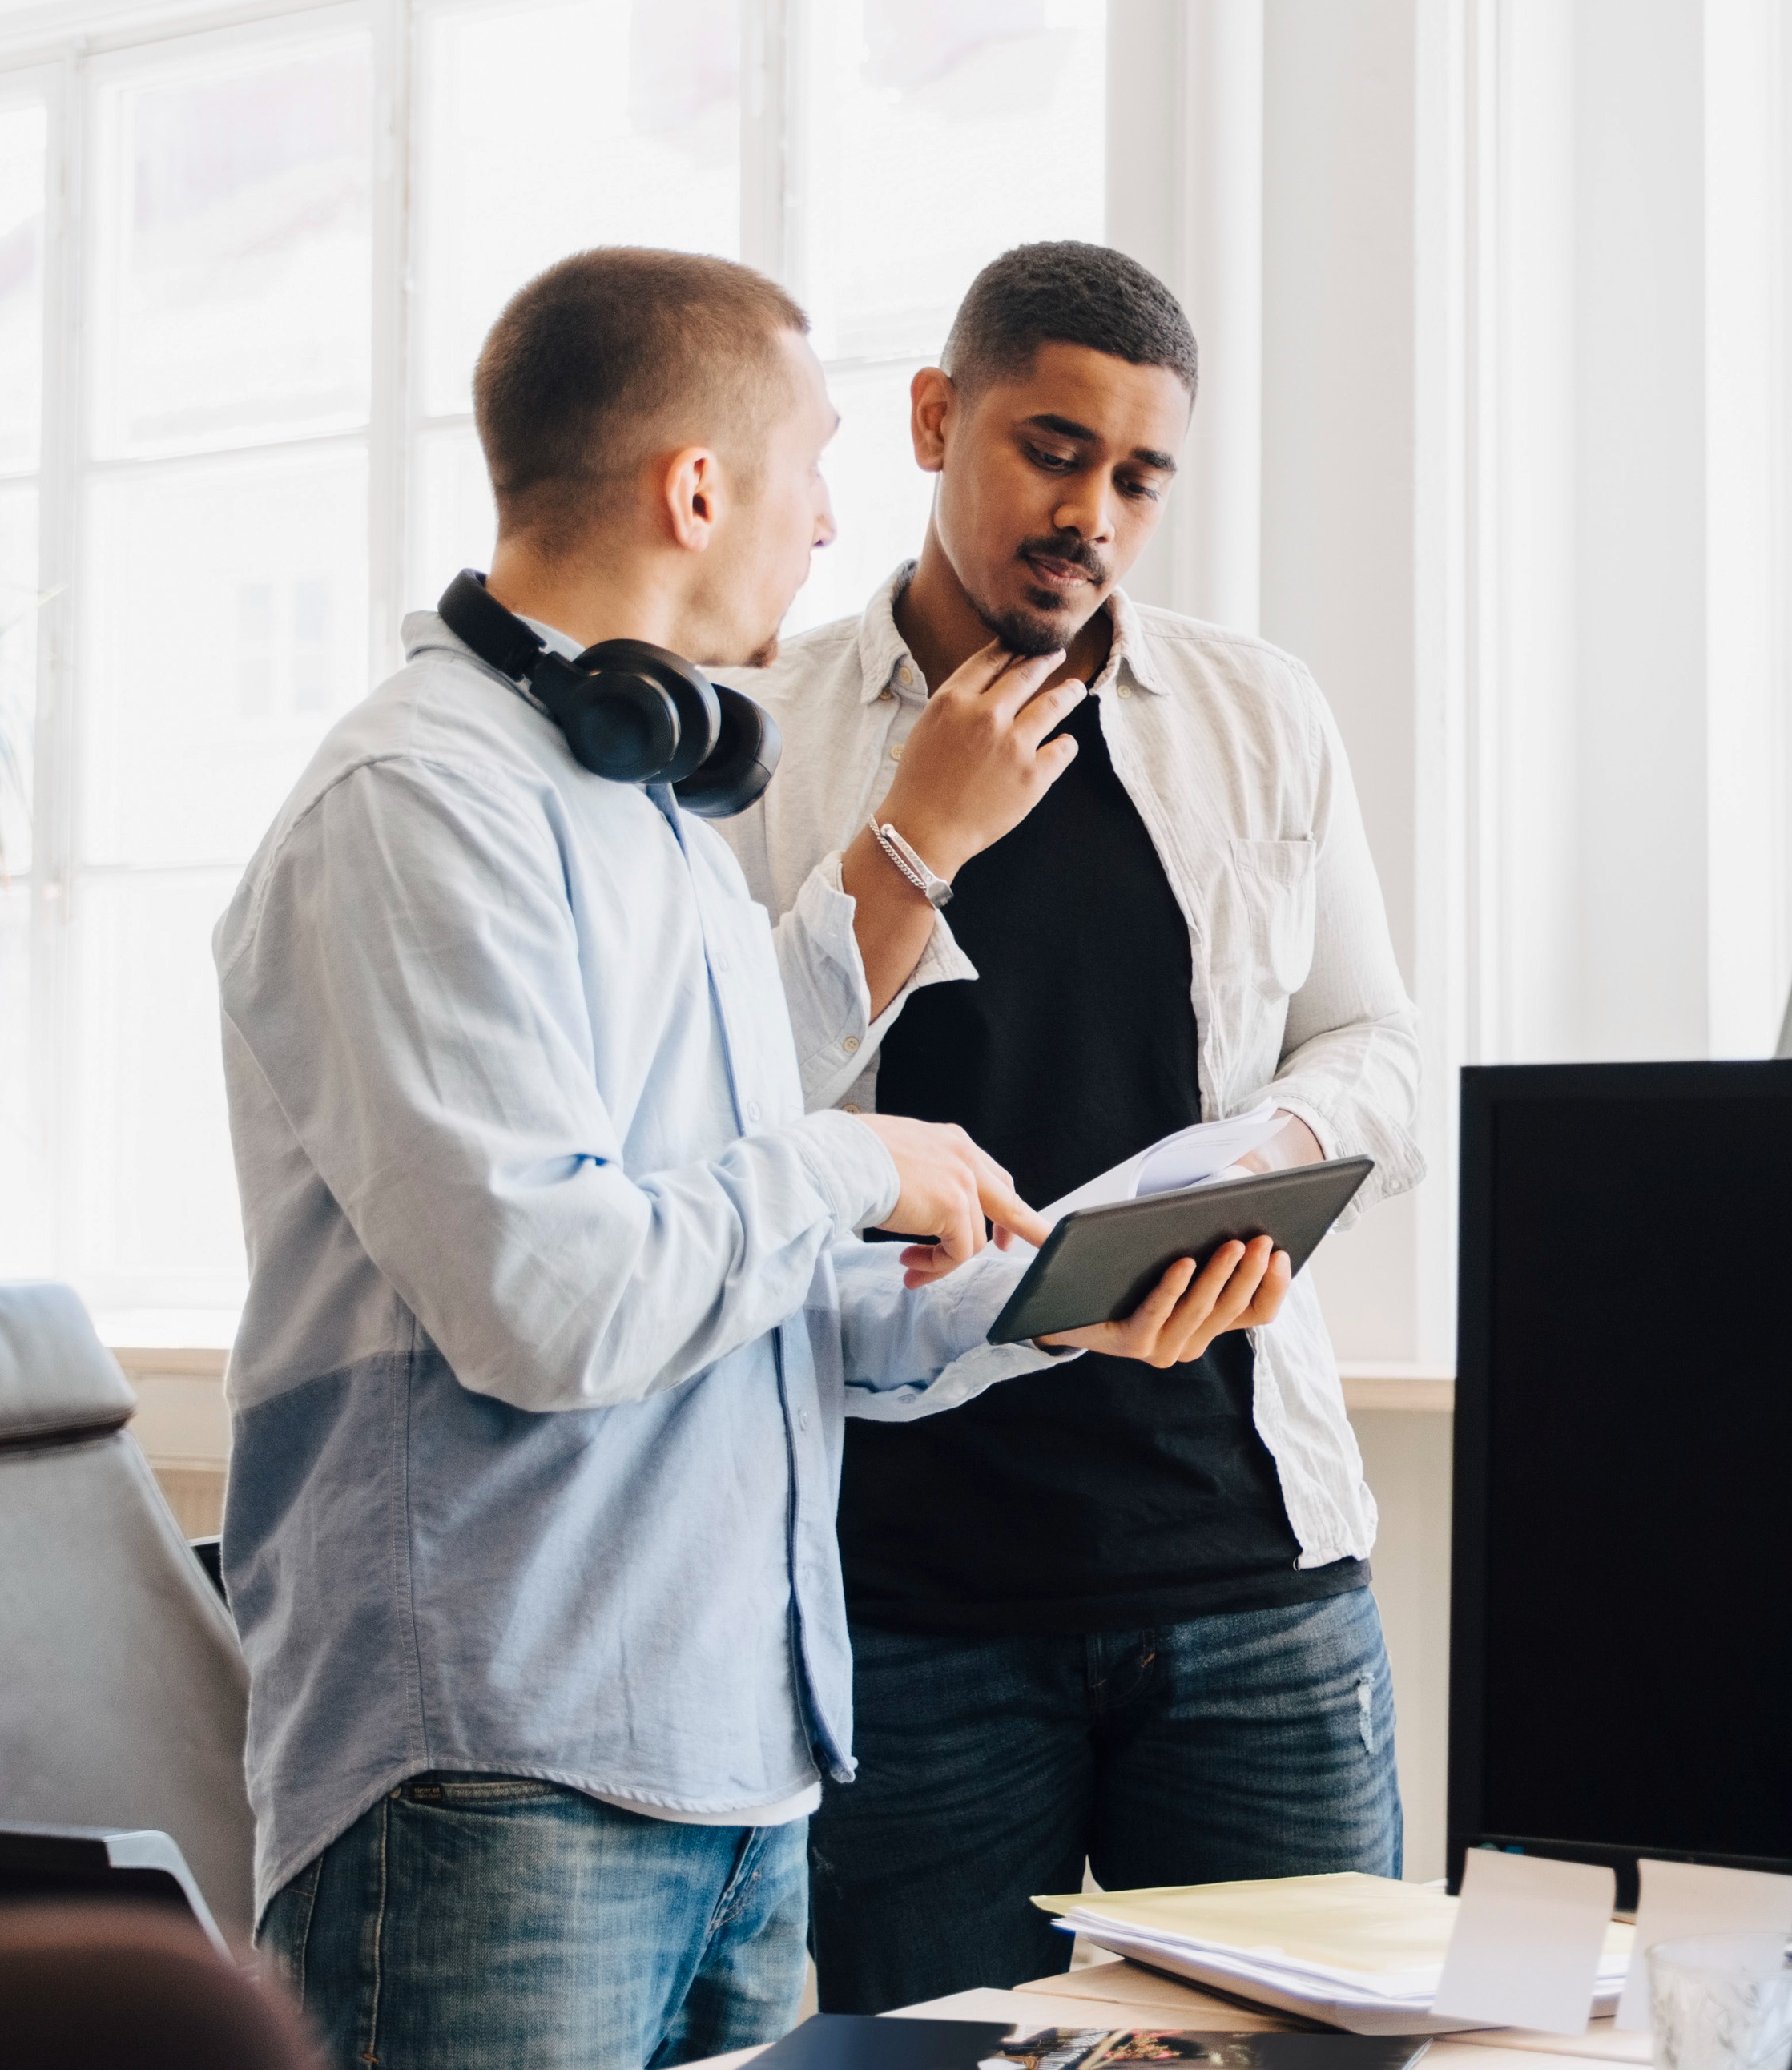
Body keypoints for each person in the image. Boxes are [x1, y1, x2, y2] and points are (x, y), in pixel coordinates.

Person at [211, 245, 1287, 2070]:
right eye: (812, 465)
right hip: (499, 1772)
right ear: (697, 488)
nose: (825, 524)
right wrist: (856, 1164)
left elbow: (746, 1280)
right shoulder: (414, 805)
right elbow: (548, 1301)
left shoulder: (650, 815)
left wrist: (1036, 1301)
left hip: (738, 1775)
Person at [723, 240, 1423, 2010]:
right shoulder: (762, 736)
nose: (1091, 512)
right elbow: (716, 1127)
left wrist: (1268, 1170)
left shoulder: (1258, 715)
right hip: (912, 1603)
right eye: (1051, 450)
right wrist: (910, 835)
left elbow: (1376, 1044)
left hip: (1252, 1577)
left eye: (1138, 476)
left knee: (1322, 2054)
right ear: (936, 419)